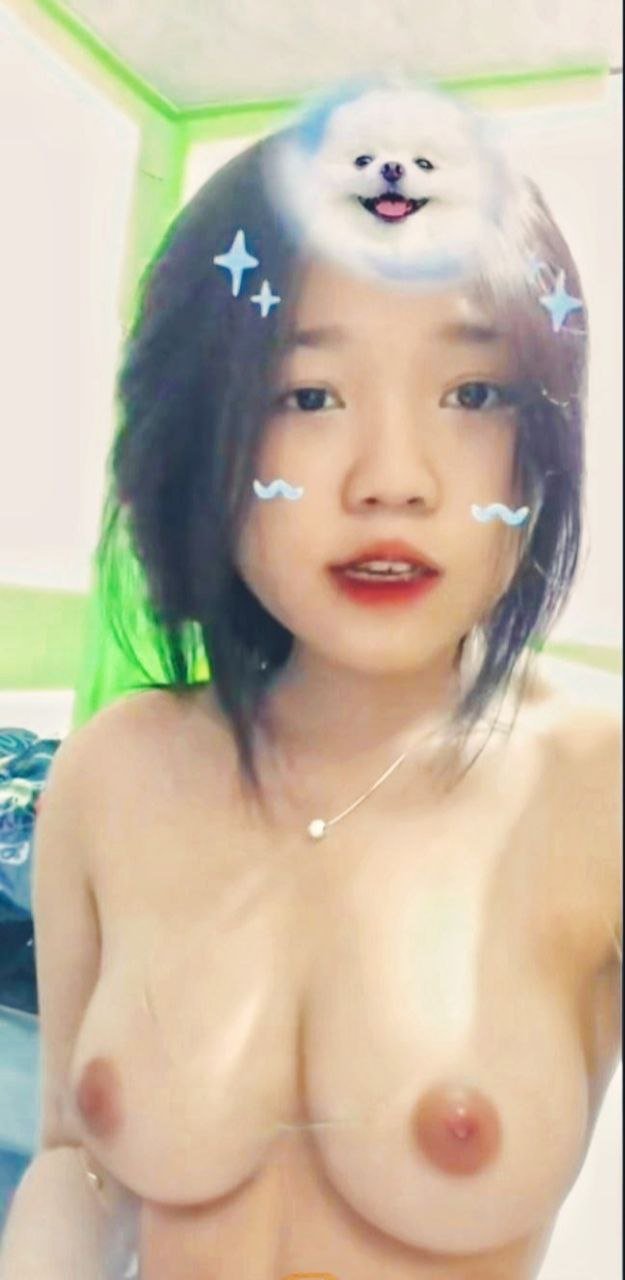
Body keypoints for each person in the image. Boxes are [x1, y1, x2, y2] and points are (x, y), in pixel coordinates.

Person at [1, 82, 621, 1280]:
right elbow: (77, 1157)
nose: (393, 478)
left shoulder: (594, 789)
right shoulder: (113, 772)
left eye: (472, 393)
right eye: (309, 395)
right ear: (201, 435)